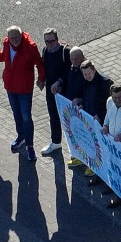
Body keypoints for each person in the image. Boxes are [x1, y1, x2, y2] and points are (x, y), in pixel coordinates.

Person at [0, 26, 45, 162]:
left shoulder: (30, 47)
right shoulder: (7, 43)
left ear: (21, 36)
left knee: (26, 117)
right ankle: (21, 137)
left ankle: (30, 146)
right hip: (10, 86)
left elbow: (39, 64)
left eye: (17, 38)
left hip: (25, 88)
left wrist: (40, 79)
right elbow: (4, 55)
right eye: (12, 38)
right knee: (16, 113)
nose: (14, 41)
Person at [73, 60, 113, 177]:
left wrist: (100, 115)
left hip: (100, 121)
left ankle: (96, 165)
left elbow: (110, 105)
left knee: (98, 144)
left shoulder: (105, 83)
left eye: (89, 73)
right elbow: (86, 97)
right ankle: (86, 160)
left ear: (94, 70)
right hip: (89, 117)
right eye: (85, 74)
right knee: (88, 140)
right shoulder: (86, 82)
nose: (87, 76)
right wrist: (82, 104)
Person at [40, 28, 71, 156]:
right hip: (51, 91)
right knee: (53, 116)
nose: (49, 44)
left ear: (57, 39)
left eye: (52, 41)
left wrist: (59, 82)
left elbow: (71, 72)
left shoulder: (65, 52)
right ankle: (56, 142)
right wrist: (41, 80)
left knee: (69, 119)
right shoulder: (45, 51)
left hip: (65, 92)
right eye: (47, 41)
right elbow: (44, 68)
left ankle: (74, 150)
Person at [64, 46, 87, 168]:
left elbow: (90, 93)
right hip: (73, 109)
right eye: (71, 59)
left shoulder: (86, 71)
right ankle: (78, 157)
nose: (73, 62)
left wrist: (81, 100)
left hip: (84, 109)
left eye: (76, 59)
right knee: (76, 133)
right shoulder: (73, 68)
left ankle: (89, 164)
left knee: (86, 137)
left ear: (83, 57)